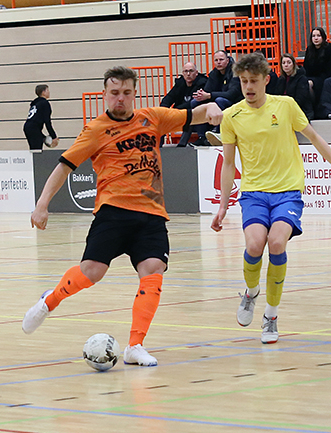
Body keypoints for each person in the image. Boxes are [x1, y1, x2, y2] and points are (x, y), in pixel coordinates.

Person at [24, 68, 223, 368]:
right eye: (115, 93)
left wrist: (212, 108)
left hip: (151, 214)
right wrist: (42, 205)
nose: (121, 98)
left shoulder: (152, 118)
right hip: (113, 212)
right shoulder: (95, 130)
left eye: (127, 93)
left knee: (153, 269)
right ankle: (49, 301)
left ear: (134, 94)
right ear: (105, 94)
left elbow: (196, 113)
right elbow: (64, 166)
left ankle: (135, 345)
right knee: (91, 272)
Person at [214, 53, 331, 343]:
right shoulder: (231, 116)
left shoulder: (286, 106)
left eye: (253, 81)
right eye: (243, 81)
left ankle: (271, 316)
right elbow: (229, 164)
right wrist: (222, 206)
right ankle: (251, 292)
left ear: (266, 80)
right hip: (254, 193)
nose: (248, 87)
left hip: (287, 191)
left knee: (276, 243)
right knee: (254, 245)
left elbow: (315, 137)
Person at [181, 49, 241, 146]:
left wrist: (209, 95)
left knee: (219, 101)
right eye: (216, 60)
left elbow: (231, 94)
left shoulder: (235, 72)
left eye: (221, 59)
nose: (218, 62)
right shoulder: (214, 73)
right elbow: (207, 90)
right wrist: (201, 95)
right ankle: (202, 137)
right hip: (218, 100)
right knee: (195, 102)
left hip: (234, 104)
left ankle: (219, 133)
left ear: (227, 60)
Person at [303, 27, 331, 112]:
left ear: (323, 37)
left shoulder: (330, 48)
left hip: (325, 77)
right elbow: (306, 67)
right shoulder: (309, 49)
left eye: (318, 36)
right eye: (313, 36)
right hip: (311, 76)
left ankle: (314, 108)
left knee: (309, 83)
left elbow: (330, 69)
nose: (316, 38)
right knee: (302, 82)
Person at [270, 55, 315, 120]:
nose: (286, 65)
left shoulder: (301, 79)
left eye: (289, 62)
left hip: (300, 111)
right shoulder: (281, 79)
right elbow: (277, 96)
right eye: (283, 63)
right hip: (283, 111)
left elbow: (300, 100)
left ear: (293, 64)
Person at [24, 84, 60, 150]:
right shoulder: (44, 103)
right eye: (47, 90)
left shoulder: (36, 103)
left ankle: (43, 139)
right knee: (37, 149)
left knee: (35, 145)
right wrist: (53, 136)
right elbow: (47, 121)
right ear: (43, 92)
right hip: (34, 128)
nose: (49, 92)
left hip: (28, 127)